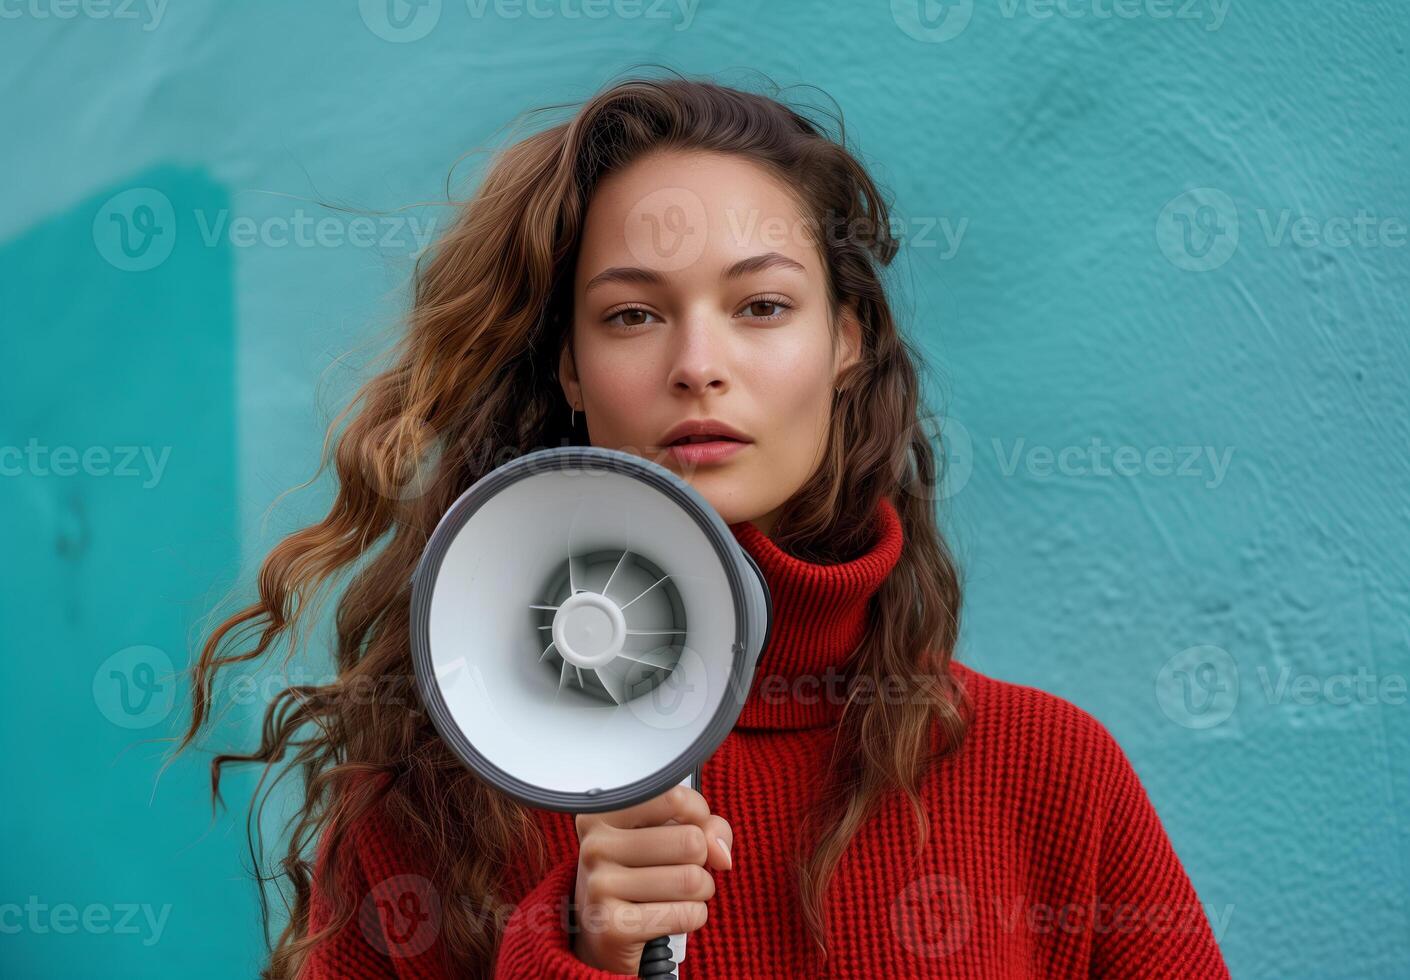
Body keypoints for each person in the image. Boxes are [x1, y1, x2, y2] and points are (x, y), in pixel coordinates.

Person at [179, 71, 1232, 978]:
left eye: (762, 306)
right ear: (571, 369)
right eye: (632, 314)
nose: (697, 362)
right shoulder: (428, 806)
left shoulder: (1048, 775)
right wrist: (577, 952)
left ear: (848, 341)